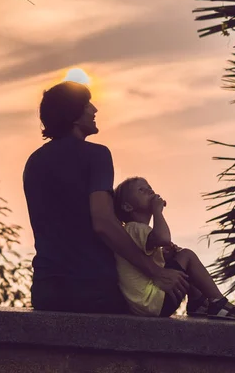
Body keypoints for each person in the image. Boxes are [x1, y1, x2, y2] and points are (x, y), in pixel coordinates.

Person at [23, 81, 189, 314]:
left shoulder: (34, 162)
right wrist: (156, 271)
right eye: (87, 104)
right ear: (73, 114)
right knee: (184, 261)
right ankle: (212, 305)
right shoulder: (97, 155)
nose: (94, 110)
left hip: (46, 291)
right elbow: (103, 222)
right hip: (94, 291)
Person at [113, 176, 235, 320]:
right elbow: (163, 238)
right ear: (127, 206)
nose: (149, 190)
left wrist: (165, 255)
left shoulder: (132, 231)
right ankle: (218, 303)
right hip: (153, 302)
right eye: (141, 190)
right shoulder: (135, 228)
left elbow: (153, 250)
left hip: (146, 304)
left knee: (177, 257)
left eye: (150, 187)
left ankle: (198, 302)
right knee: (187, 255)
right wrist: (157, 212)